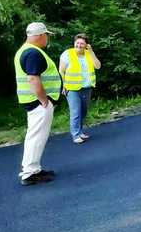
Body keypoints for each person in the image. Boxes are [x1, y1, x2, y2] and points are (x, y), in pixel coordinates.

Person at [14, 22, 61, 185]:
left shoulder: (24, 50)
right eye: (46, 35)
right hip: (38, 103)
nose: (47, 38)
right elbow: (33, 78)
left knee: (35, 136)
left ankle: (33, 168)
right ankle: (30, 172)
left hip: (33, 102)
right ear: (40, 35)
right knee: (37, 137)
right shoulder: (33, 53)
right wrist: (44, 100)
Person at [59, 33, 101, 144]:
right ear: (74, 43)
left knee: (83, 111)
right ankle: (75, 134)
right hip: (72, 88)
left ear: (86, 45)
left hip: (86, 87)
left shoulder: (88, 54)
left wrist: (91, 52)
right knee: (75, 112)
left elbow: (98, 66)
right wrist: (63, 85)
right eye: (77, 43)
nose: (79, 45)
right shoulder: (67, 54)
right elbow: (61, 71)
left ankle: (80, 131)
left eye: (82, 43)